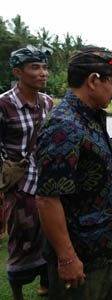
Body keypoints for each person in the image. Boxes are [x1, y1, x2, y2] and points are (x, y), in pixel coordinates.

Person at [35, 47, 112, 299]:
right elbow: (48, 198)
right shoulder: (64, 126)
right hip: (85, 255)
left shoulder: (89, 117)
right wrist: (67, 258)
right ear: (93, 81)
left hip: (106, 247)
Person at [2, 46, 54, 300]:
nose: (42, 73)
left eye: (44, 67)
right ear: (18, 72)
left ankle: (46, 285)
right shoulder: (4, 105)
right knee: (20, 241)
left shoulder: (47, 102)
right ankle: (17, 293)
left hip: (45, 184)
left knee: (49, 236)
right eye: (35, 67)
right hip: (19, 189)